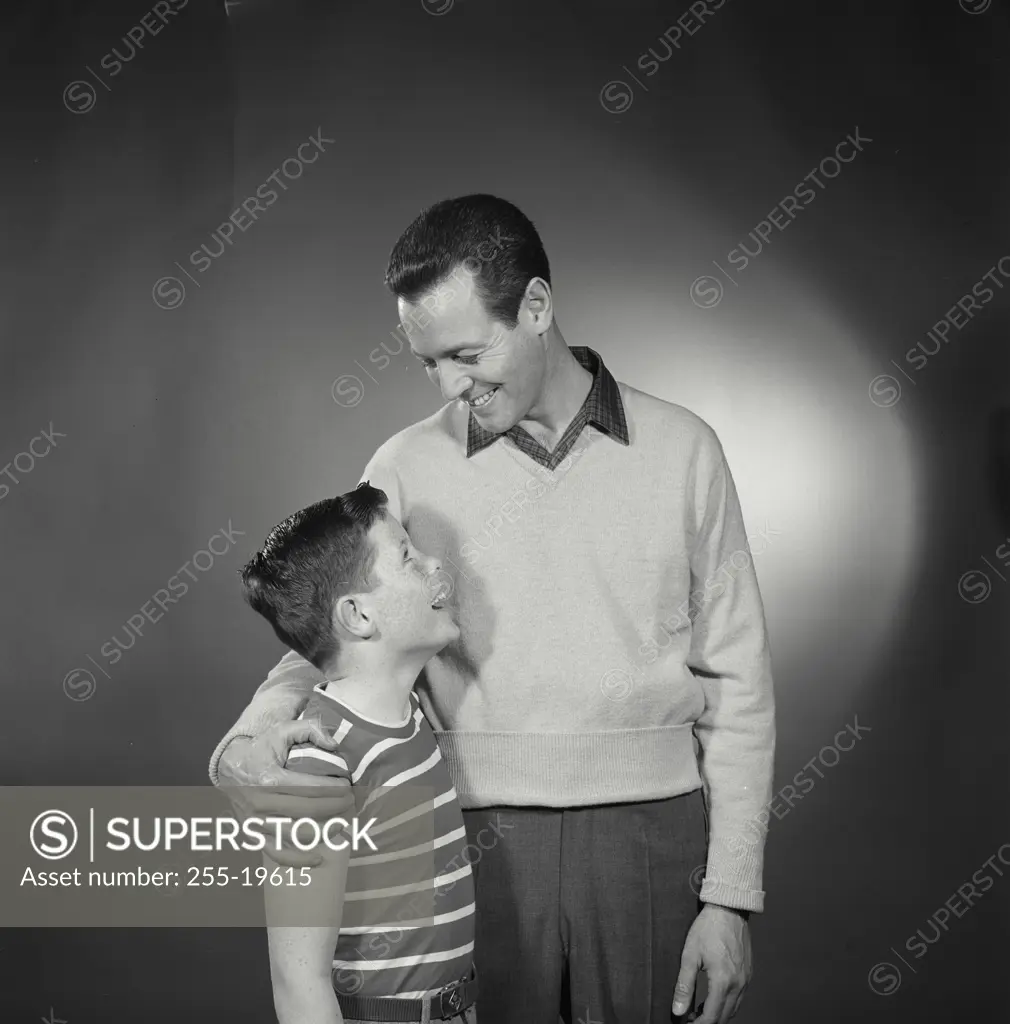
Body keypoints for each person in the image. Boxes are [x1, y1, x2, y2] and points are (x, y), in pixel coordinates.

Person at [210, 193, 775, 1024]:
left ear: (536, 307)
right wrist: (252, 733)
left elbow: (739, 680)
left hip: (654, 843)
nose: (449, 385)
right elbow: (335, 628)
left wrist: (729, 897)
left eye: (467, 353)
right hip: (468, 839)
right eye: (427, 362)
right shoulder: (406, 462)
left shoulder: (685, 449)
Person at [240, 487, 477, 1023]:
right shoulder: (318, 765)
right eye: (407, 557)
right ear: (358, 615)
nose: (434, 562)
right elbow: (298, 981)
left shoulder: (411, 716)